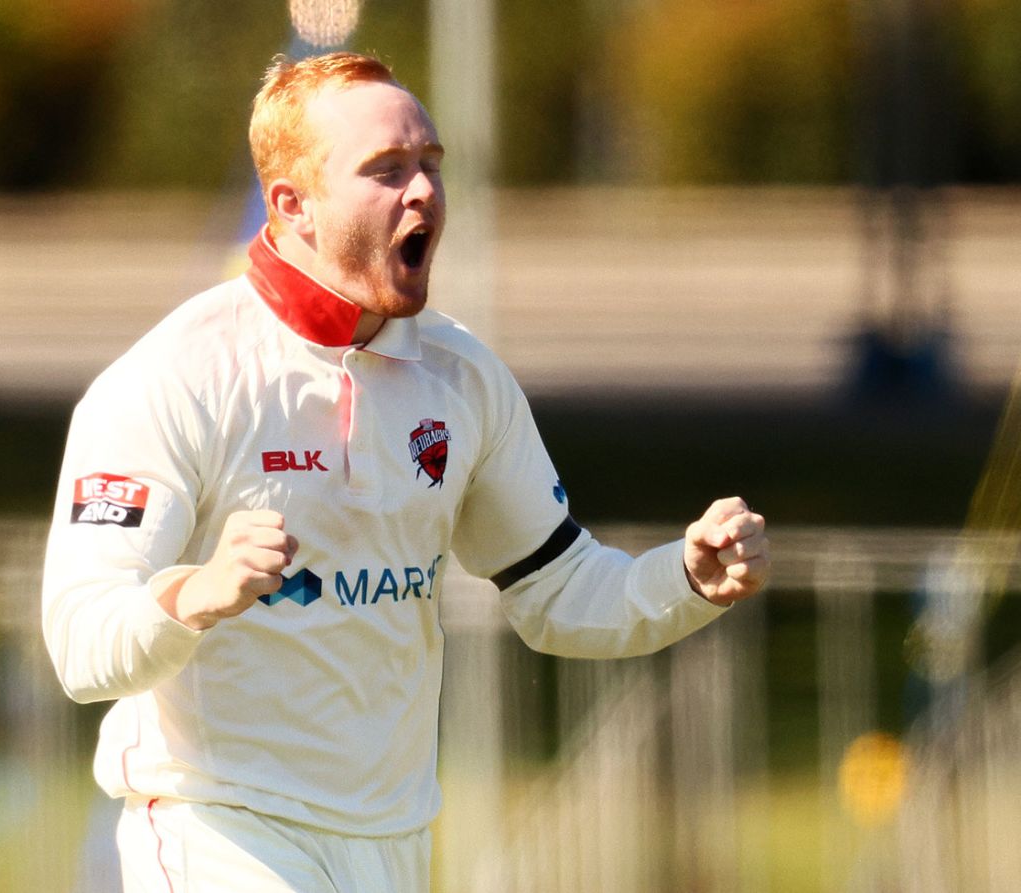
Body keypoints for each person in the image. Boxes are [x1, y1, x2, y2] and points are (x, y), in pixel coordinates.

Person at [41, 51, 770, 893]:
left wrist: (685, 576)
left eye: (430, 164)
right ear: (293, 205)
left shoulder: (461, 377)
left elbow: (560, 590)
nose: (422, 191)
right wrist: (195, 593)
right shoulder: (174, 377)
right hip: (218, 827)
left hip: (391, 842)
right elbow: (83, 645)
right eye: (386, 171)